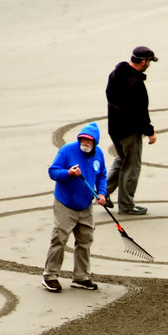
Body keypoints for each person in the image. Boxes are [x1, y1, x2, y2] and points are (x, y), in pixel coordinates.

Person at [42, 122, 108, 292]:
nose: (85, 143)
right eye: (83, 139)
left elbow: (102, 175)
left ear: (95, 143)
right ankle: (50, 275)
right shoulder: (67, 150)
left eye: (89, 140)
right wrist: (69, 173)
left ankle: (81, 276)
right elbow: (53, 171)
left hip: (85, 205)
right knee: (60, 238)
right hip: (65, 203)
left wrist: (101, 194)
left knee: (85, 240)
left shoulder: (99, 154)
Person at [105, 45, 158, 215]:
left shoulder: (115, 75)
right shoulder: (135, 83)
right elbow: (141, 111)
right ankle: (126, 205)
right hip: (129, 131)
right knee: (132, 166)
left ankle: (103, 192)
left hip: (114, 128)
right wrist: (150, 132)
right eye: (149, 61)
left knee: (122, 160)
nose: (149, 64)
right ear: (143, 61)